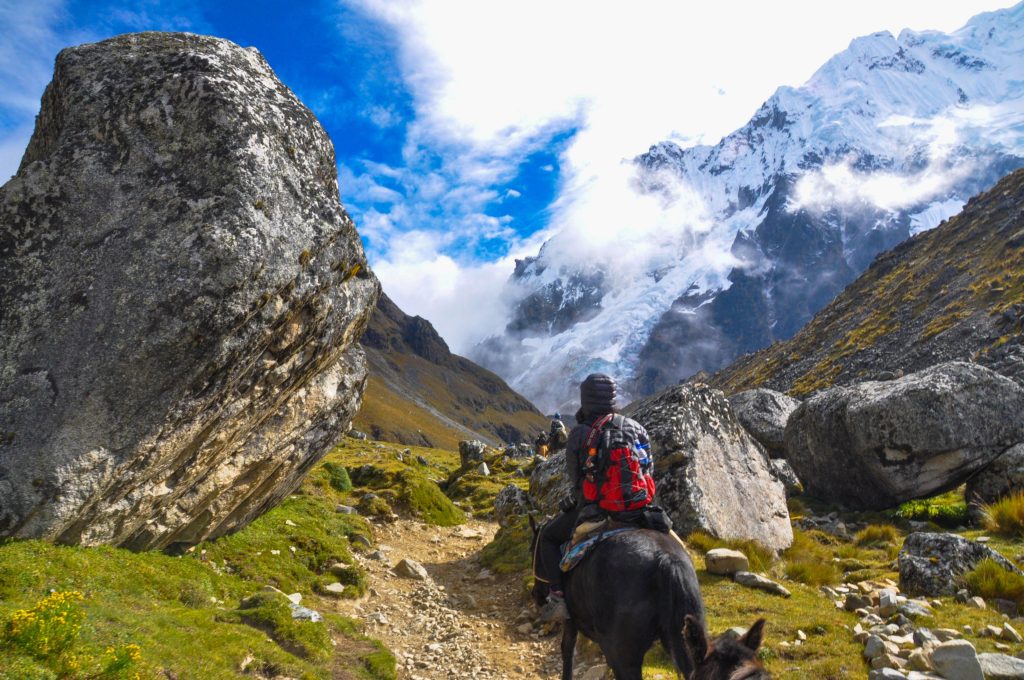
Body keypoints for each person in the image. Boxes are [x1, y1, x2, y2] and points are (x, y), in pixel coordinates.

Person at [534, 373, 652, 622]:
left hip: (598, 510)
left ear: (584, 399)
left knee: (547, 537)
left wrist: (578, 502)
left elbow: (577, 482)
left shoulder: (580, 433)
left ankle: (558, 597)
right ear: (613, 397)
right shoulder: (635, 427)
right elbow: (648, 470)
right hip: (638, 510)